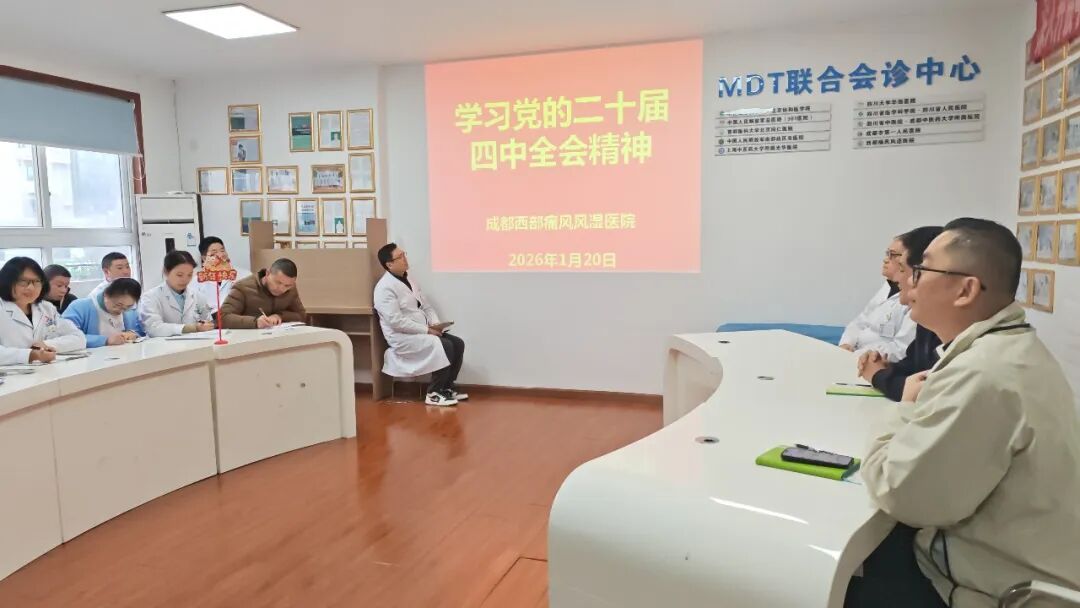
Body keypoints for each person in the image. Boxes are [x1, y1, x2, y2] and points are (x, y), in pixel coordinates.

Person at [851, 218, 1080, 608]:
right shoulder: (1005, 348)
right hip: (987, 559)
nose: (908, 284)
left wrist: (901, 409)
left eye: (920, 270)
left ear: (965, 290)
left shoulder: (985, 373)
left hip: (992, 590)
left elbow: (900, 493)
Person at [856, 226, 943, 401]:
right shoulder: (928, 327)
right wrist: (884, 367)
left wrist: (878, 375)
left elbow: (925, 392)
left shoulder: (971, 350)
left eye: (902, 269)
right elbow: (911, 367)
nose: (897, 279)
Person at [374, 243, 467, 407]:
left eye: (404, 254)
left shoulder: (409, 279)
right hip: (402, 337)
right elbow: (395, 321)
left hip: (422, 331)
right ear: (389, 264)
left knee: (458, 343)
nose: (405, 259)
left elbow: (425, 305)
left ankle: (446, 388)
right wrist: (427, 330)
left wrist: (436, 324)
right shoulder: (384, 288)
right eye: (400, 257)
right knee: (444, 345)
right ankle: (433, 393)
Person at [839, 235, 917, 362]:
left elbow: (899, 349)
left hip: (872, 361)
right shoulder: (887, 287)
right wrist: (847, 343)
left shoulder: (913, 299)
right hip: (855, 355)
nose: (886, 260)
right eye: (887, 254)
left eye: (892, 255)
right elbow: (859, 322)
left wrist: (856, 356)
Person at [0, 257, 86, 365]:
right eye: (23, 282)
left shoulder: (46, 308)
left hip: (45, 371)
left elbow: (79, 338)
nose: (31, 288)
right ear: (7, 282)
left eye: (36, 281)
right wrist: (30, 355)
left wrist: (46, 345)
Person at [139, 251, 215, 338]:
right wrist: (191, 328)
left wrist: (207, 325)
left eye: (189, 275)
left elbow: (208, 323)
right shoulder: (151, 297)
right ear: (166, 272)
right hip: (163, 345)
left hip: (195, 344)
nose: (185, 280)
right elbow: (153, 328)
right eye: (179, 275)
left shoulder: (198, 296)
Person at [219, 258, 305, 329]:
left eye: (287, 285)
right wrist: (255, 322)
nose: (281, 289)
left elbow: (301, 315)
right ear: (267, 274)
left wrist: (279, 316)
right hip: (248, 340)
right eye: (278, 282)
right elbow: (222, 318)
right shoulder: (243, 287)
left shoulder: (291, 289)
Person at [63, 278, 144, 347]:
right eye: (118, 305)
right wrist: (105, 340)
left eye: (129, 306)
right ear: (106, 295)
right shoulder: (81, 307)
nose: (122, 310)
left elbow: (141, 331)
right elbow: (66, 335)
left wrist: (133, 334)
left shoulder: (130, 311)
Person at [195, 237, 250, 314]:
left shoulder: (245, 275)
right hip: (211, 319)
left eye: (222, 250)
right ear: (204, 258)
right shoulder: (197, 281)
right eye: (214, 253)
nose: (221, 255)